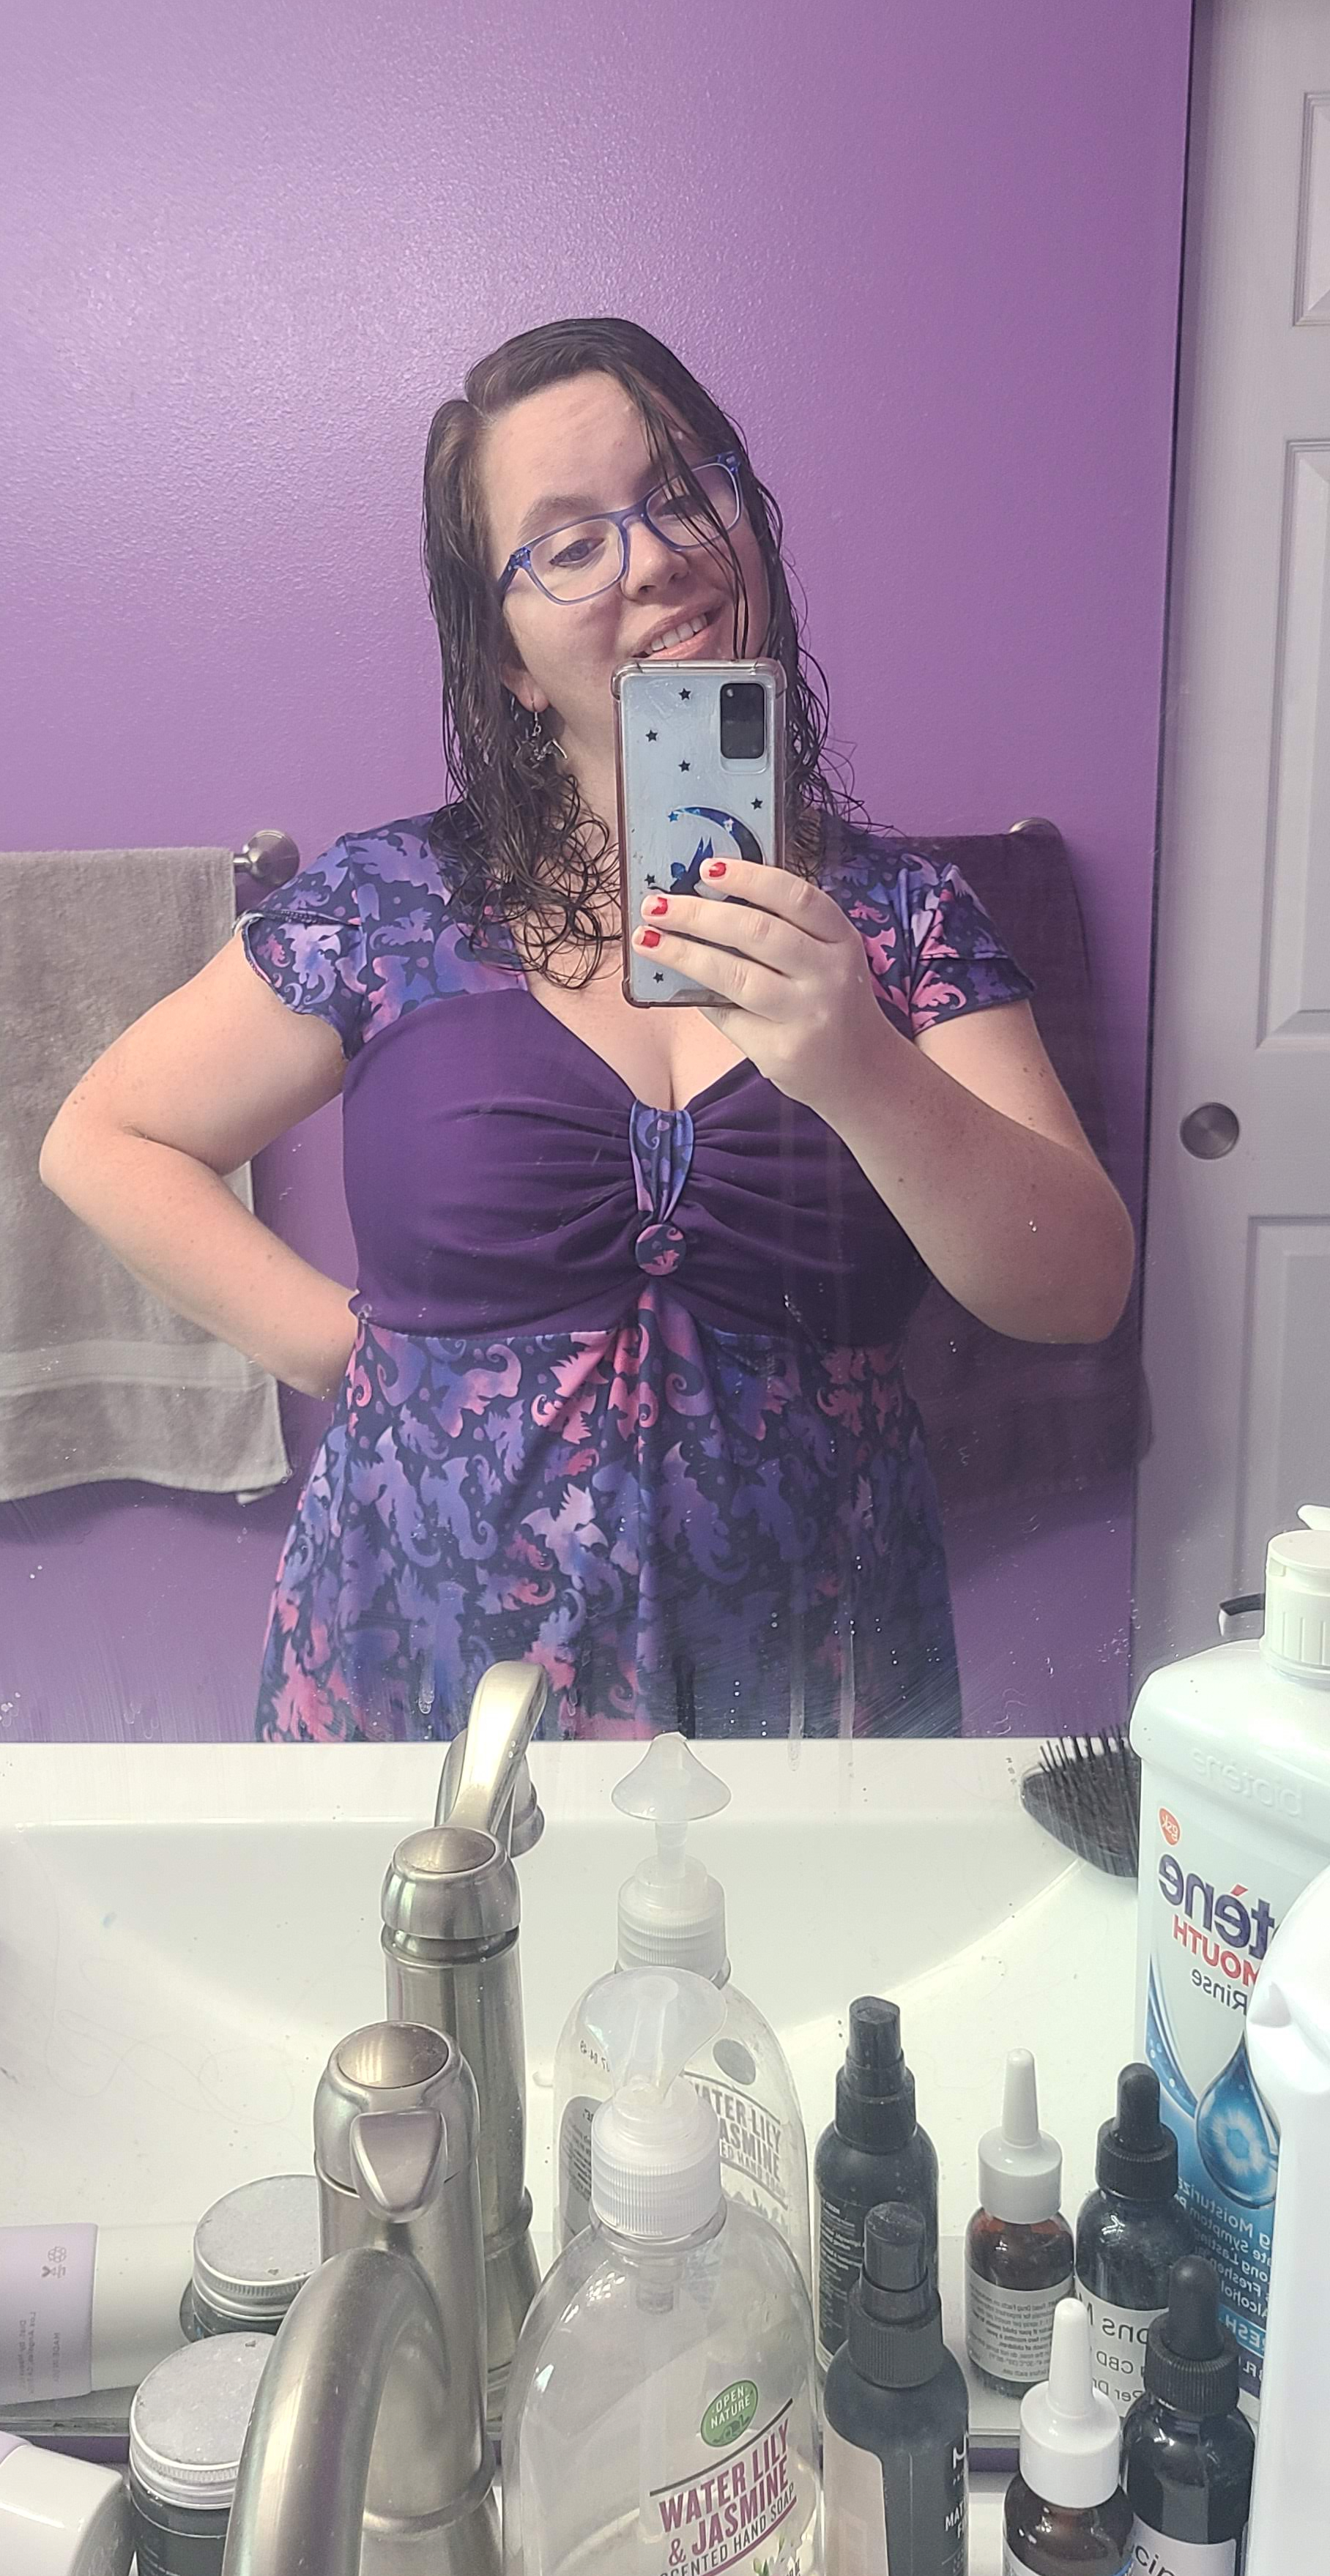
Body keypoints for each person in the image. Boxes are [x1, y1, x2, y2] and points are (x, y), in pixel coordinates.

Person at [41, 318, 1134, 1743]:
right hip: (423, 1648)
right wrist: (348, 1358)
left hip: (804, 1670)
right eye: (567, 543)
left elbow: (1077, 1290)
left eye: (684, 492)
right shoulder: (389, 904)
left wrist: (861, 1068)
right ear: (505, 657)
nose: (653, 557)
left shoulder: (906, 917)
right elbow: (103, 1138)